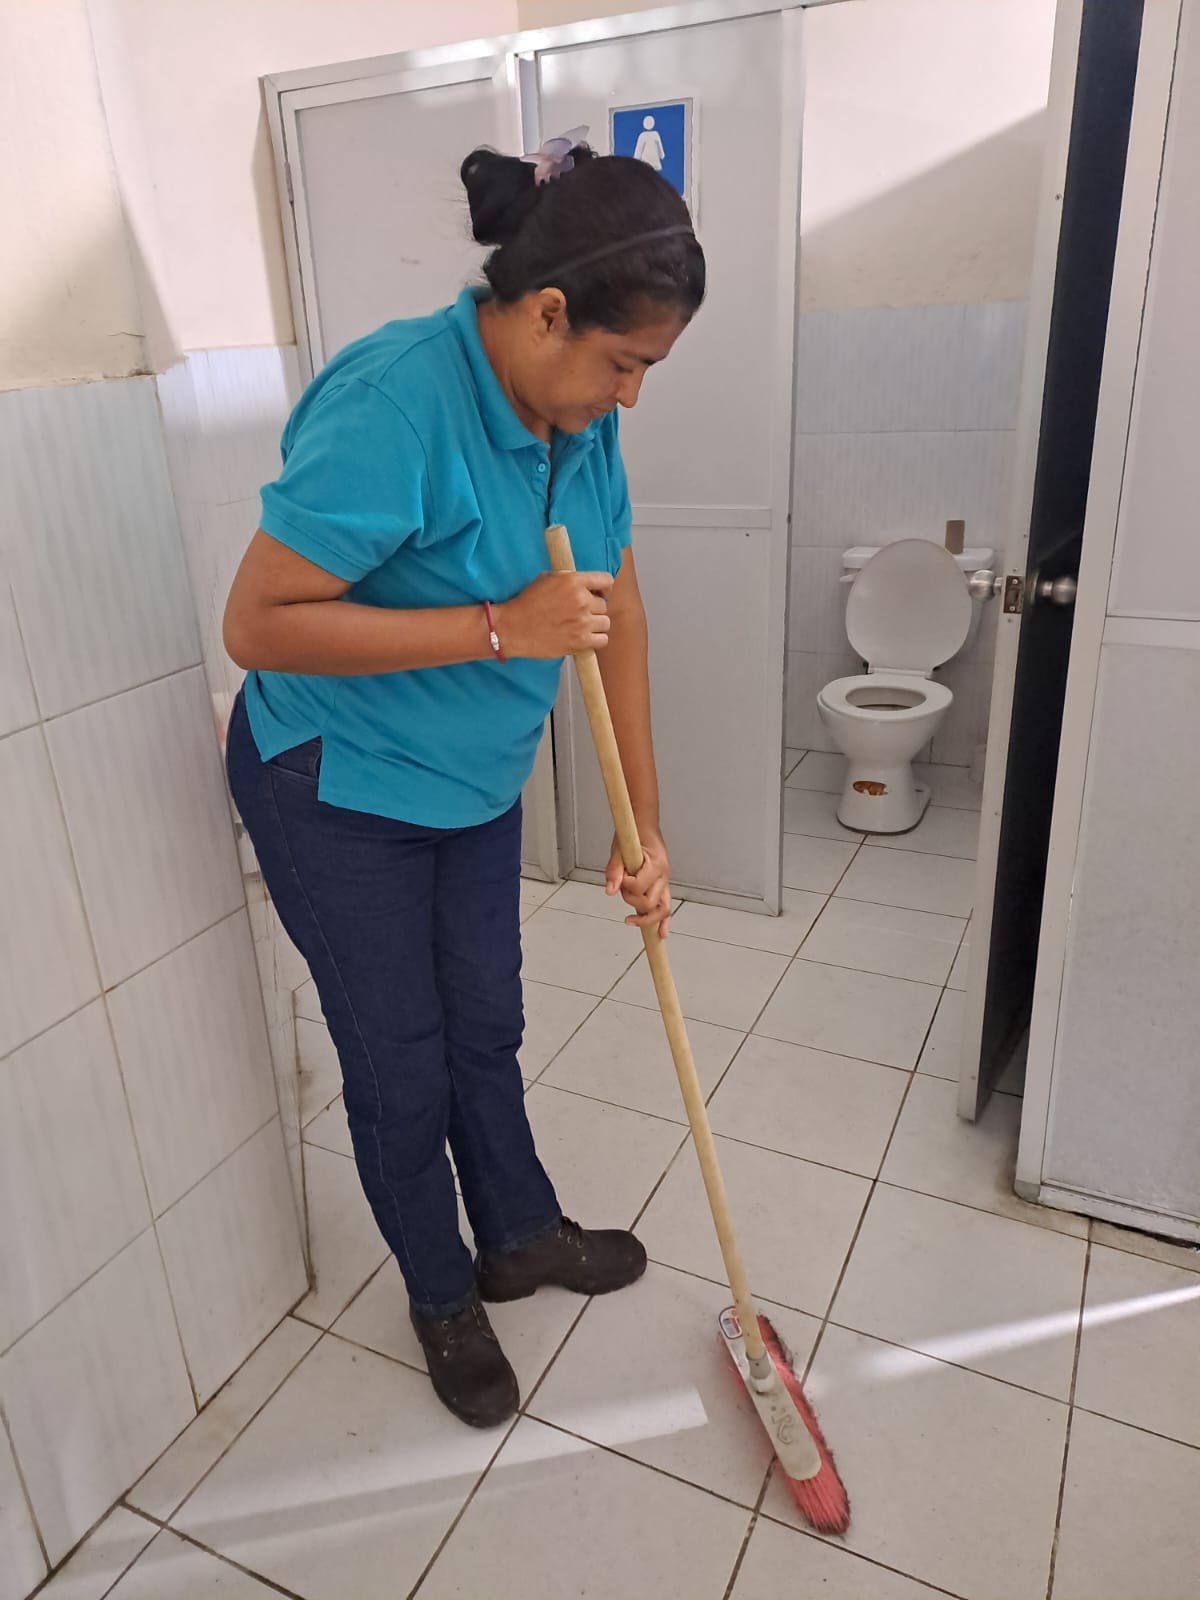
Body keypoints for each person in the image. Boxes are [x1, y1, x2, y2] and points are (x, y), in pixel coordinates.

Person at [222, 136, 705, 1428]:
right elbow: (257, 623)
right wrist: (501, 627)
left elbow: (617, 613)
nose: (631, 397)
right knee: (402, 1061)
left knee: (486, 1022)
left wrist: (643, 823)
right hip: (337, 787)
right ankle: (441, 1294)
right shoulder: (396, 404)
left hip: (471, 787)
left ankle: (517, 1234)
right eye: (623, 363)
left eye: (648, 371)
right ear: (546, 313)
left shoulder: (573, 420)